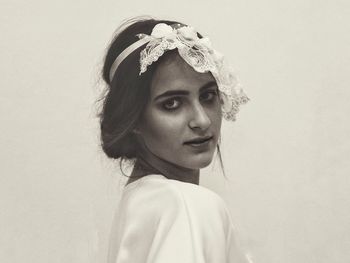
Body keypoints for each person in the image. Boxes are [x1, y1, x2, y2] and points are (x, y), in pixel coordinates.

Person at [97, 16, 251, 263]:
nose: (201, 120)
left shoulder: (141, 203)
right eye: (172, 104)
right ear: (134, 117)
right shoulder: (185, 205)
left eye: (208, 95)